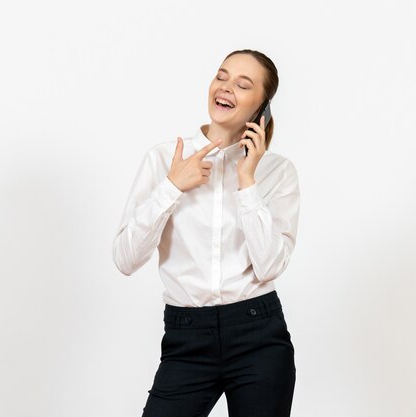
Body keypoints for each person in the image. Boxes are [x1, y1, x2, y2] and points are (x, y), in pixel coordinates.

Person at [112, 49, 300, 417]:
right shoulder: (165, 159)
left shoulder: (278, 172)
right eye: (222, 76)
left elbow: (269, 266)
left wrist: (247, 181)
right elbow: (125, 259)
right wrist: (171, 187)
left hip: (258, 335)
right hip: (186, 337)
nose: (226, 87)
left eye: (243, 84)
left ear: (262, 108)